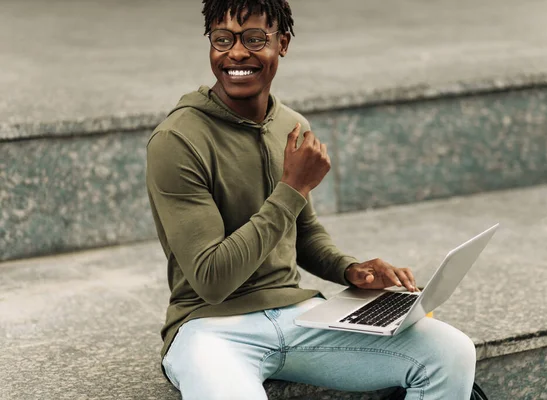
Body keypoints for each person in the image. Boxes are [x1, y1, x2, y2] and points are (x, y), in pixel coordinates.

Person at [145, 1, 476, 399]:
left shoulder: (292, 126)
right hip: (210, 327)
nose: (235, 53)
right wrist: (292, 188)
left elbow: (303, 231)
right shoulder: (177, 140)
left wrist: (351, 270)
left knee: (450, 352)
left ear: (281, 43)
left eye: (253, 39)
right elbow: (212, 280)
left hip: (298, 314)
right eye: (222, 39)